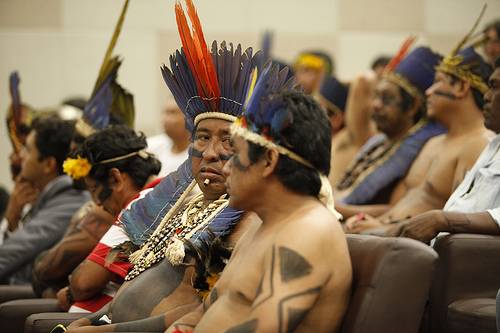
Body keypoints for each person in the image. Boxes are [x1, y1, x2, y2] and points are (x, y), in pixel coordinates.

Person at [64, 1, 260, 331]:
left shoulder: (249, 220)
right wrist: (94, 320)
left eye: (227, 140)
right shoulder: (183, 204)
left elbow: (201, 313)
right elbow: (136, 283)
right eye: (202, 137)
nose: (210, 153)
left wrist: (104, 331)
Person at [167, 64, 351, 333]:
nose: (226, 167)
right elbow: (201, 316)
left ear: (268, 160)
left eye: (236, 154)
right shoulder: (262, 225)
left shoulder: (309, 232)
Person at [345, 45, 493, 233]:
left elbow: (457, 219)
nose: (428, 92)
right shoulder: (433, 143)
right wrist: (370, 222)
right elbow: (398, 206)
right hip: (388, 234)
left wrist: (382, 229)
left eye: (438, 82)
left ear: (462, 87)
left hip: (414, 249)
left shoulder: (479, 143)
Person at [376, 57, 500, 243]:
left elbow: (447, 218)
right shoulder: (494, 146)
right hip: (429, 248)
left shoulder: (479, 141)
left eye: (495, 87)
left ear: (461, 88)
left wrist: (442, 220)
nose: (487, 96)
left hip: (460, 259)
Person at [57, 125, 162, 313]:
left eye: (95, 191)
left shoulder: (141, 208)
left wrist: (71, 294)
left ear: (115, 178)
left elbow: (84, 284)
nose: (97, 204)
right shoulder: (162, 194)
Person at [335, 45, 445, 212]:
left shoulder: (423, 150)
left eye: (386, 98)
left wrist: (333, 208)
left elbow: (398, 209)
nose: (376, 105)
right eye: (376, 95)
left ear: (413, 107)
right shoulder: (378, 141)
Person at [0, 115, 89, 284]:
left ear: (48, 164)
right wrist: (11, 220)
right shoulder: (44, 195)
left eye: (27, 149)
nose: (20, 156)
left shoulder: (70, 199)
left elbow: (11, 255)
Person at [147, 100, 190, 177]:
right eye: (165, 113)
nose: (165, 119)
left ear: (189, 117)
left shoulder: (199, 153)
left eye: (172, 113)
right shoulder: (152, 146)